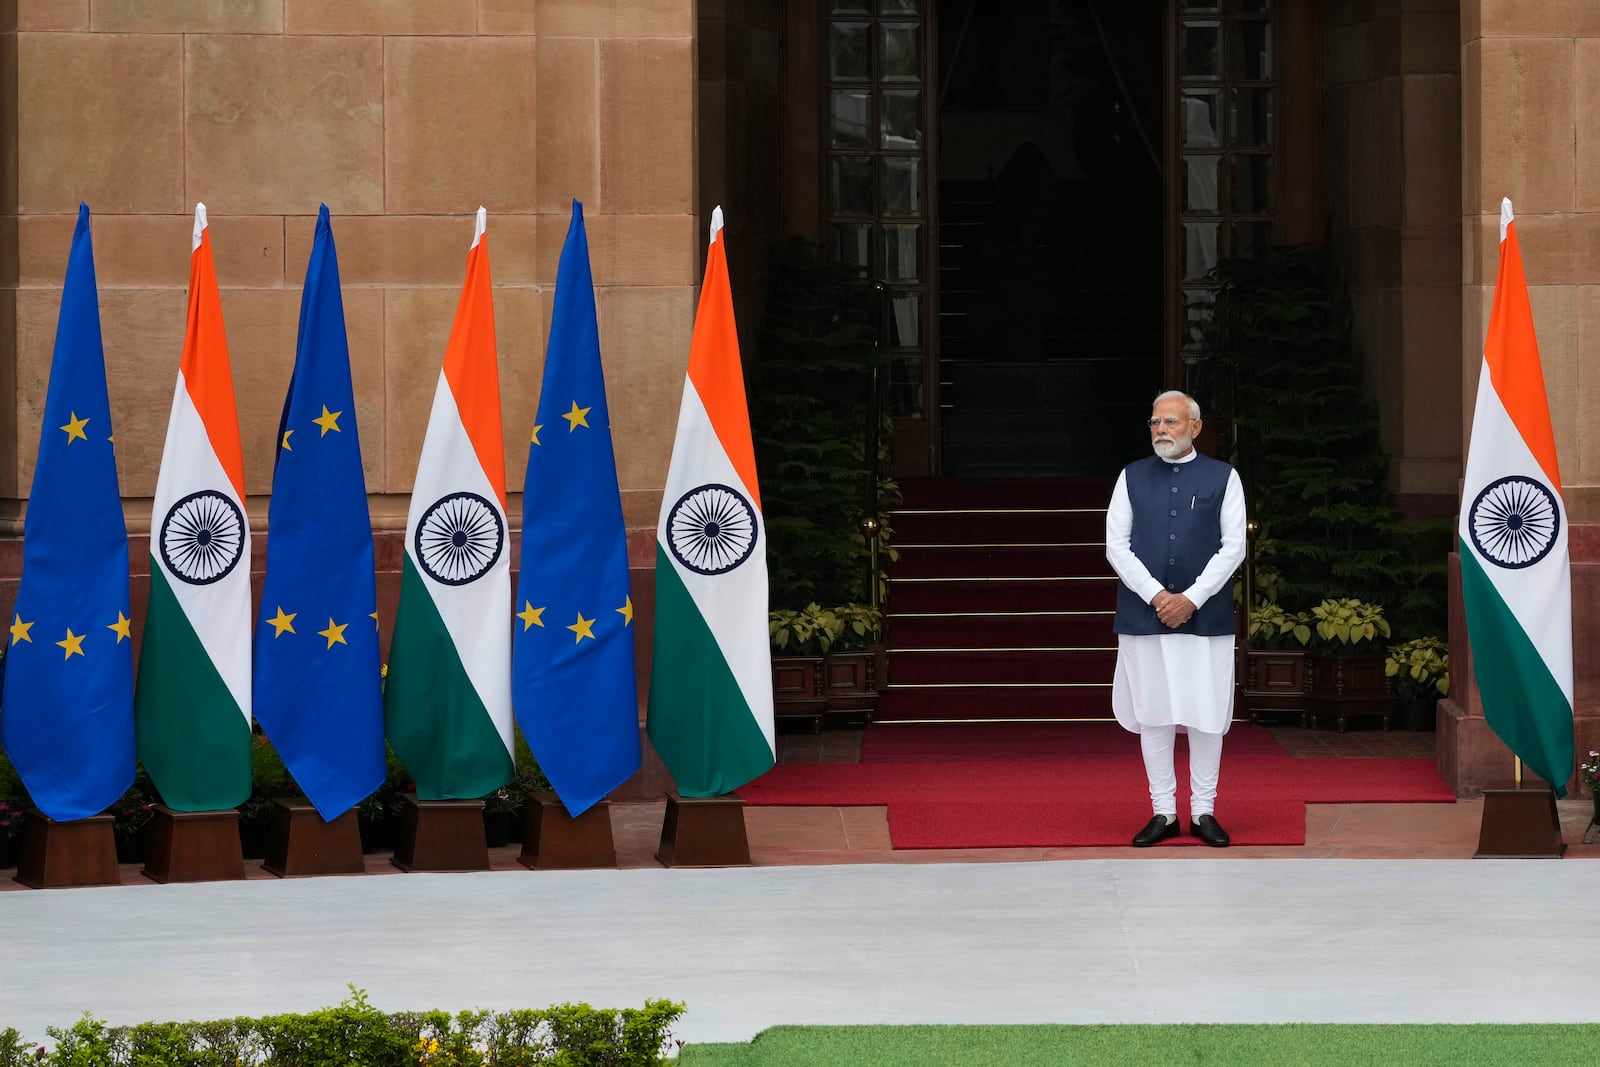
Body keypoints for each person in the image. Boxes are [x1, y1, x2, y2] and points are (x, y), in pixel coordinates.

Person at [1105, 390, 1246, 847]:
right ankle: (1163, 812)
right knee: (1155, 714)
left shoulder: (1224, 477)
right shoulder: (1131, 477)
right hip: (1144, 616)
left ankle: (1204, 810)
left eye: (1170, 422)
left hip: (1205, 617)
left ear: (1195, 427)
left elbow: (1234, 547)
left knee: (1206, 714)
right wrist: (1157, 596)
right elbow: (1116, 547)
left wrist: (1192, 598)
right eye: (1154, 423)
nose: (1161, 430)